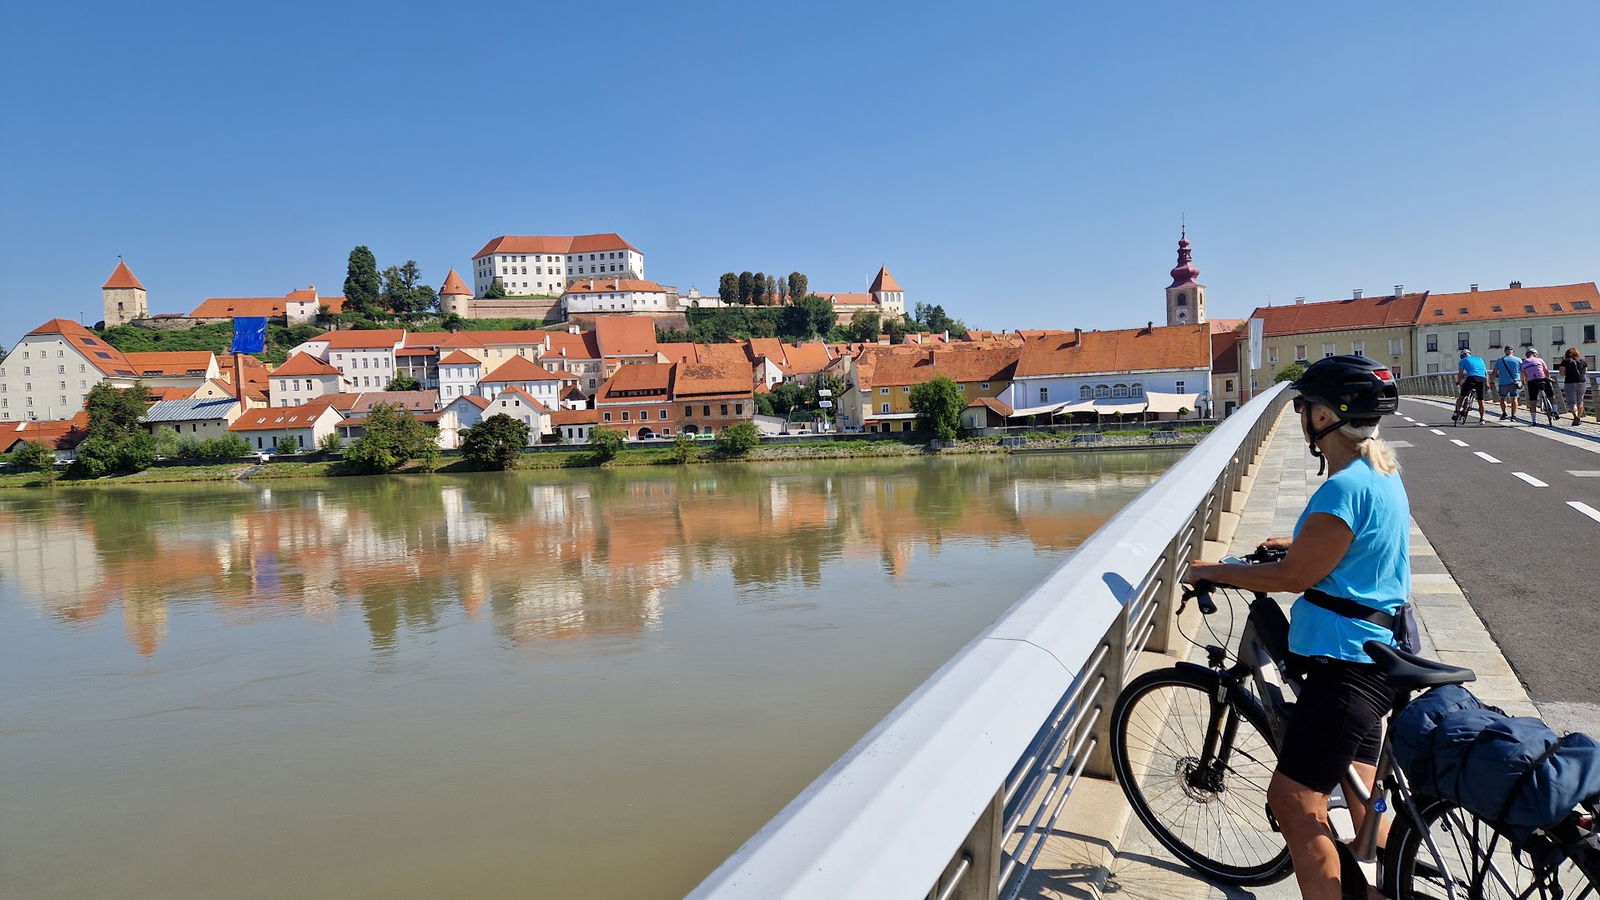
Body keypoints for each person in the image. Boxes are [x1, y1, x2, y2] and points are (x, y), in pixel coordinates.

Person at [1186, 355, 1405, 900]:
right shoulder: (1380, 474)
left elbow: (1291, 577)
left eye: (1305, 406)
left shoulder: (1341, 490)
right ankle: (1388, 875)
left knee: (1294, 800)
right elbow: (1352, 547)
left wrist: (1211, 569)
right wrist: (1299, 541)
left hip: (1346, 667)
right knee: (1359, 781)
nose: (1300, 414)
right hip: (1382, 653)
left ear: (1327, 417)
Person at [1556, 347, 1590, 426]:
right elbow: (1585, 373)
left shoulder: (1565, 361)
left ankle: (1575, 417)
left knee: (1572, 402)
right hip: (1582, 383)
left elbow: (1561, 373)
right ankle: (1579, 417)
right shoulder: (1582, 361)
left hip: (1570, 383)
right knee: (1580, 401)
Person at [1522, 348, 1555, 423]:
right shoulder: (1540, 360)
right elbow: (1546, 371)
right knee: (1551, 397)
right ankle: (1555, 411)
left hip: (1532, 382)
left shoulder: (1524, 362)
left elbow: (1524, 374)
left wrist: (1525, 381)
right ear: (1535, 354)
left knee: (1533, 402)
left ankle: (1534, 421)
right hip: (1542, 379)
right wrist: (1549, 378)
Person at [1454, 348, 1486, 424]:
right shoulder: (1480, 359)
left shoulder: (1463, 361)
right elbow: (1485, 372)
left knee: (1461, 397)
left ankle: (1456, 412)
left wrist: (1458, 381)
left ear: (1462, 356)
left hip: (1471, 378)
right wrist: (1487, 383)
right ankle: (1482, 419)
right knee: (1481, 401)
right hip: (1481, 379)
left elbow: (1460, 373)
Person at [1493, 346, 1524, 422]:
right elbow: (1522, 372)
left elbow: (1494, 372)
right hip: (1515, 382)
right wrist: (1522, 381)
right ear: (1513, 351)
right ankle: (1513, 416)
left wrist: (1491, 381)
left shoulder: (1499, 361)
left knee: (1502, 398)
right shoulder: (1518, 360)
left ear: (1505, 351)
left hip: (1503, 382)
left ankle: (1504, 413)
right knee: (1514, 398)